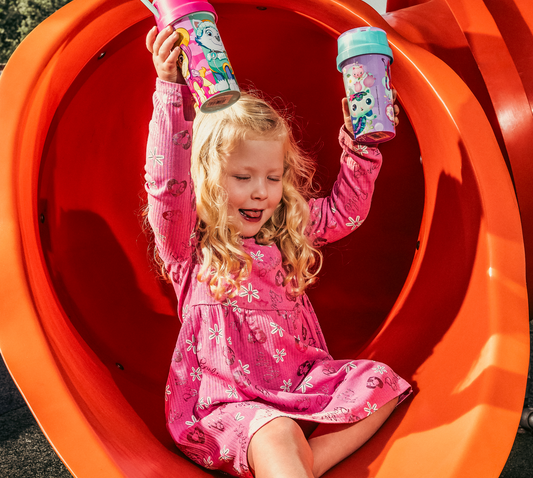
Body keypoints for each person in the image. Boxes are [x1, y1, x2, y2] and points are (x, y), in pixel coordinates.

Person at [144, 25, 411, 478]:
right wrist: (170, 89)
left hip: (303, 388)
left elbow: (345, 212)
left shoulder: (284, 228)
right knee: (276, 432)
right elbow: (166, 186)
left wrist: (362, 145)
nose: (261, 192)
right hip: (229, 407)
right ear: (206, 178)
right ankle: (291, 463)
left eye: (272, 177)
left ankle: (305, 464)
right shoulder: (190, 246)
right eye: (242, 177)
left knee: (382, 382)